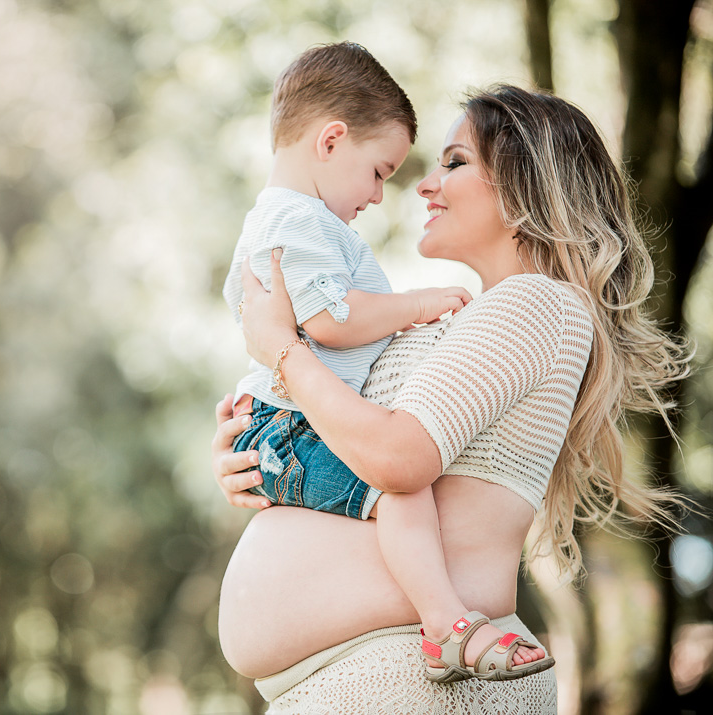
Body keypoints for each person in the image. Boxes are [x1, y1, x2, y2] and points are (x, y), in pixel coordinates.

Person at [211, 84, 688, 712]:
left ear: (527, 186)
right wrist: (260, 454)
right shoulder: (470, 322)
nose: (425, 186)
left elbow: (400, 458)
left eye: (455, 162)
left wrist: (282, 350)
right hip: (371, 678)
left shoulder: (538, 302)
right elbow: (355, 442)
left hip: (412, 676)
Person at [222, 43, 549, 687]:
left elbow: (301, 342)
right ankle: (445, 622)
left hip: (285, 421)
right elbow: (331, 320)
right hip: (285, 425)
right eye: (378, 172)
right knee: (401, 496)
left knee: (400, 490)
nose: (379, 195)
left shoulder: (296, 218)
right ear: (331, 140)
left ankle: (446, 621)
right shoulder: (296, 219)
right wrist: (414, 305)